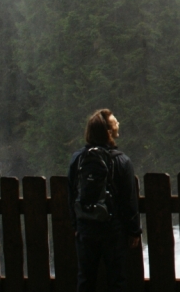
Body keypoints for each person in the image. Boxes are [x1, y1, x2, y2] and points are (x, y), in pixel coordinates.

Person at [68, 109, 142, 292]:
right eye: (115, 122)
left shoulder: (77, 159)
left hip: (85, 228)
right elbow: (129, 200)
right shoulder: (122, 161)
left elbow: (71, 193)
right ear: (108, 132)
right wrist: (134, 231)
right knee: (117, 280)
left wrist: (76, 225)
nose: (118, 124)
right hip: (112, 230)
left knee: (85, 279)